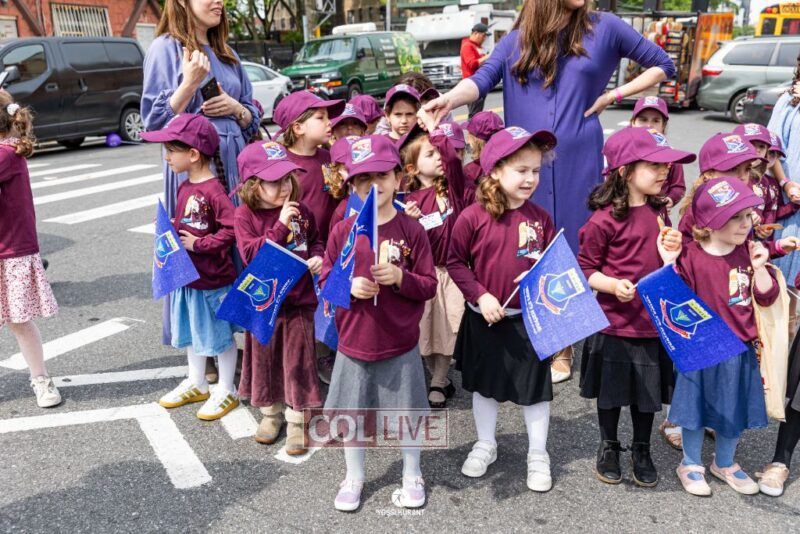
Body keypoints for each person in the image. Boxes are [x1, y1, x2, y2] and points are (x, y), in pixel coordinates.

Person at [424, 0, 675, 254]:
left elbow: (664, 65)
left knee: (581, 247)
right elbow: (480, 80)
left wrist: (613, 95)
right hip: (525, 166)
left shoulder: (605, 27)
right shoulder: (515, 42)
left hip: (580, 163)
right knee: (523, 250)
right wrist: (449, 99)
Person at [321, 135, 437, 511]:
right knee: (352, 416)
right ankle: (354, 475)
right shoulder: (343, 231)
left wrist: (401, 278)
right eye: (364, 178)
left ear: (399, 178)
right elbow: (325, 281)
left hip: (399, 342)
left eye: (382, 175)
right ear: (353, 185)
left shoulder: (412, 230)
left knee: (408, 416)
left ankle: (412, 472)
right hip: (354, 342)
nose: (374, 185)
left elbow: (429, 285)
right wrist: (350, 287)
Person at [142, 0, 262, 352]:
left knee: (235, 241)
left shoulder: (228, 53)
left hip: (234, 164)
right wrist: (190, 83)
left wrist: (237, 109)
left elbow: (252, 116)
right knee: (197, 252)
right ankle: (201, 345)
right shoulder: (165, 48)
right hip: (193, 171)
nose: (218, 2)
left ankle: (236, 342)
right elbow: (153, 123)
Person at [578, 127, 694, 487]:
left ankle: (642, 448)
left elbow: (667, 263)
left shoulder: (660, 211)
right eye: (654, 165)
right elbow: (585, 270)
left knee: (647, 396)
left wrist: (672, 251)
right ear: (625, 170)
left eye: (666, 166)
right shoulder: (603, 220)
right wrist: (613, 285)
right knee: (610, 393)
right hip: (614, 322)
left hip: (652, 322)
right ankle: (609, 445)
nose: (664, 172)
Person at [447, 126, 558, 492]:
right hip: (485, 320)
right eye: (521, 170)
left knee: (535, 391)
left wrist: (540, 279)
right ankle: (485, 443)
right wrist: (481, 295)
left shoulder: (540, 218)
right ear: (495, 170)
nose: (530, 178)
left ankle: (537, 453)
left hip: (528, 322)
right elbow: (456, 262)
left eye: (536, 170)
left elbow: (553, 266)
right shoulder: (472, 217)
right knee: (485, 388)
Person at [671, 177, 777, 496]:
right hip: (701, 348)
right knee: (695, 410)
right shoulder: (691, 255)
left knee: (734, 409)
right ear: (710, 221)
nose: (746, 224)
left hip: (739, 347)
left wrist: (760, 267)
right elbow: (675, 299)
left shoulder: (748, 253)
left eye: (747, 216)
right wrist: (668, 260)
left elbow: (768, 296)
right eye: (735, 217)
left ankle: (725, 462)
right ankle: (690, 463)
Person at [141, 113, 240, 421]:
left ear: (194, 154)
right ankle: (197, 381)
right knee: (192, 330)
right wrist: (170, 228)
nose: (167, 157)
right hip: (189, 278)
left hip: (213, 280)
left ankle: (227, 388)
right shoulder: (184, 187)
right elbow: (188, 222)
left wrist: (200, 245)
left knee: (220, 335)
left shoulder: (214, 190)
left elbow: (232, 229)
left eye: (172, 150)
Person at [233, 141, 324, 455]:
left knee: (298, 360)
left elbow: (315, 240)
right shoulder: (244, 215)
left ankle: (297, 419)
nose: (285, 187)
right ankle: (270, 413)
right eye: (275, 181)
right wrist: (281, 225)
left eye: (288, 179)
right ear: (252, 184)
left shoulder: (302, 210)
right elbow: (252, 256)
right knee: (265, 360)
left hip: (298, 299)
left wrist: (318, 256)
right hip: (263, 303)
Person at [399, 114, 467, 409]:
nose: (439, 157)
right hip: (424, 274)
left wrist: (435, 131)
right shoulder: (407, 201)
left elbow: (452, 161)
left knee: (450, 328)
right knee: (425, 331)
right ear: (412, 168)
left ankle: (439, 380)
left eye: (440, 152)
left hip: (452, 272)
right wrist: (409, 223)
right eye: (430, 154)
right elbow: (402, 244)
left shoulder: (453, 189)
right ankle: (434, 372)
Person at [0, 91, 61, 408]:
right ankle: (41, 379)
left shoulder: (6, 154)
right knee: (18, 322)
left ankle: (41, 379)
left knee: (19, 321)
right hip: (10, 248)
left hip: (11, 250)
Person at [272, 90, 345, 244]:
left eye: (328, 117)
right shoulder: (281, 163)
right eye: (320, 118)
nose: (329, 122)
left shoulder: (329, 157)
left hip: (331, 241)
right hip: (300, 246)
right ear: (298, 128)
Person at [628, 97, 686, 212]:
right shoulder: (622, 152)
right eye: (643, 120)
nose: (649, 125)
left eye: (656, 121)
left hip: (656, 212)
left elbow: (678, 186)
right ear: (633, 122)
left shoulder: (671, 155)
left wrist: (670, 199)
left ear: (663, 125)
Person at [460, 23, 490, 118]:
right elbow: (472, 64)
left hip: (478, 83)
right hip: (472, 84)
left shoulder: (476, 46)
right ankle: (472, 128)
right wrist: (487, 57)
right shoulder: (467, 46)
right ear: (476, 33)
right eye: (483, 35)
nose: (484, 38)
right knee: (474, 115)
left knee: (477, 113)